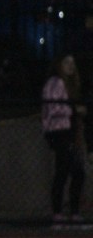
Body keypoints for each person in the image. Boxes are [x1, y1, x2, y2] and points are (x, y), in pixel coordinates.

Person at [42, 53, 86, 224]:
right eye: (66, 62)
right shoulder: (55, 82)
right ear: (58, 64)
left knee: (68, 171)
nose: (71, 65)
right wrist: (74, 110)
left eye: (72, 62)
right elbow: (53, 108)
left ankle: (68, 212)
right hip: (58, 131)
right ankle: (61, 213)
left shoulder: (70, 85)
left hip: (68, 132)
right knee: (71, 171)